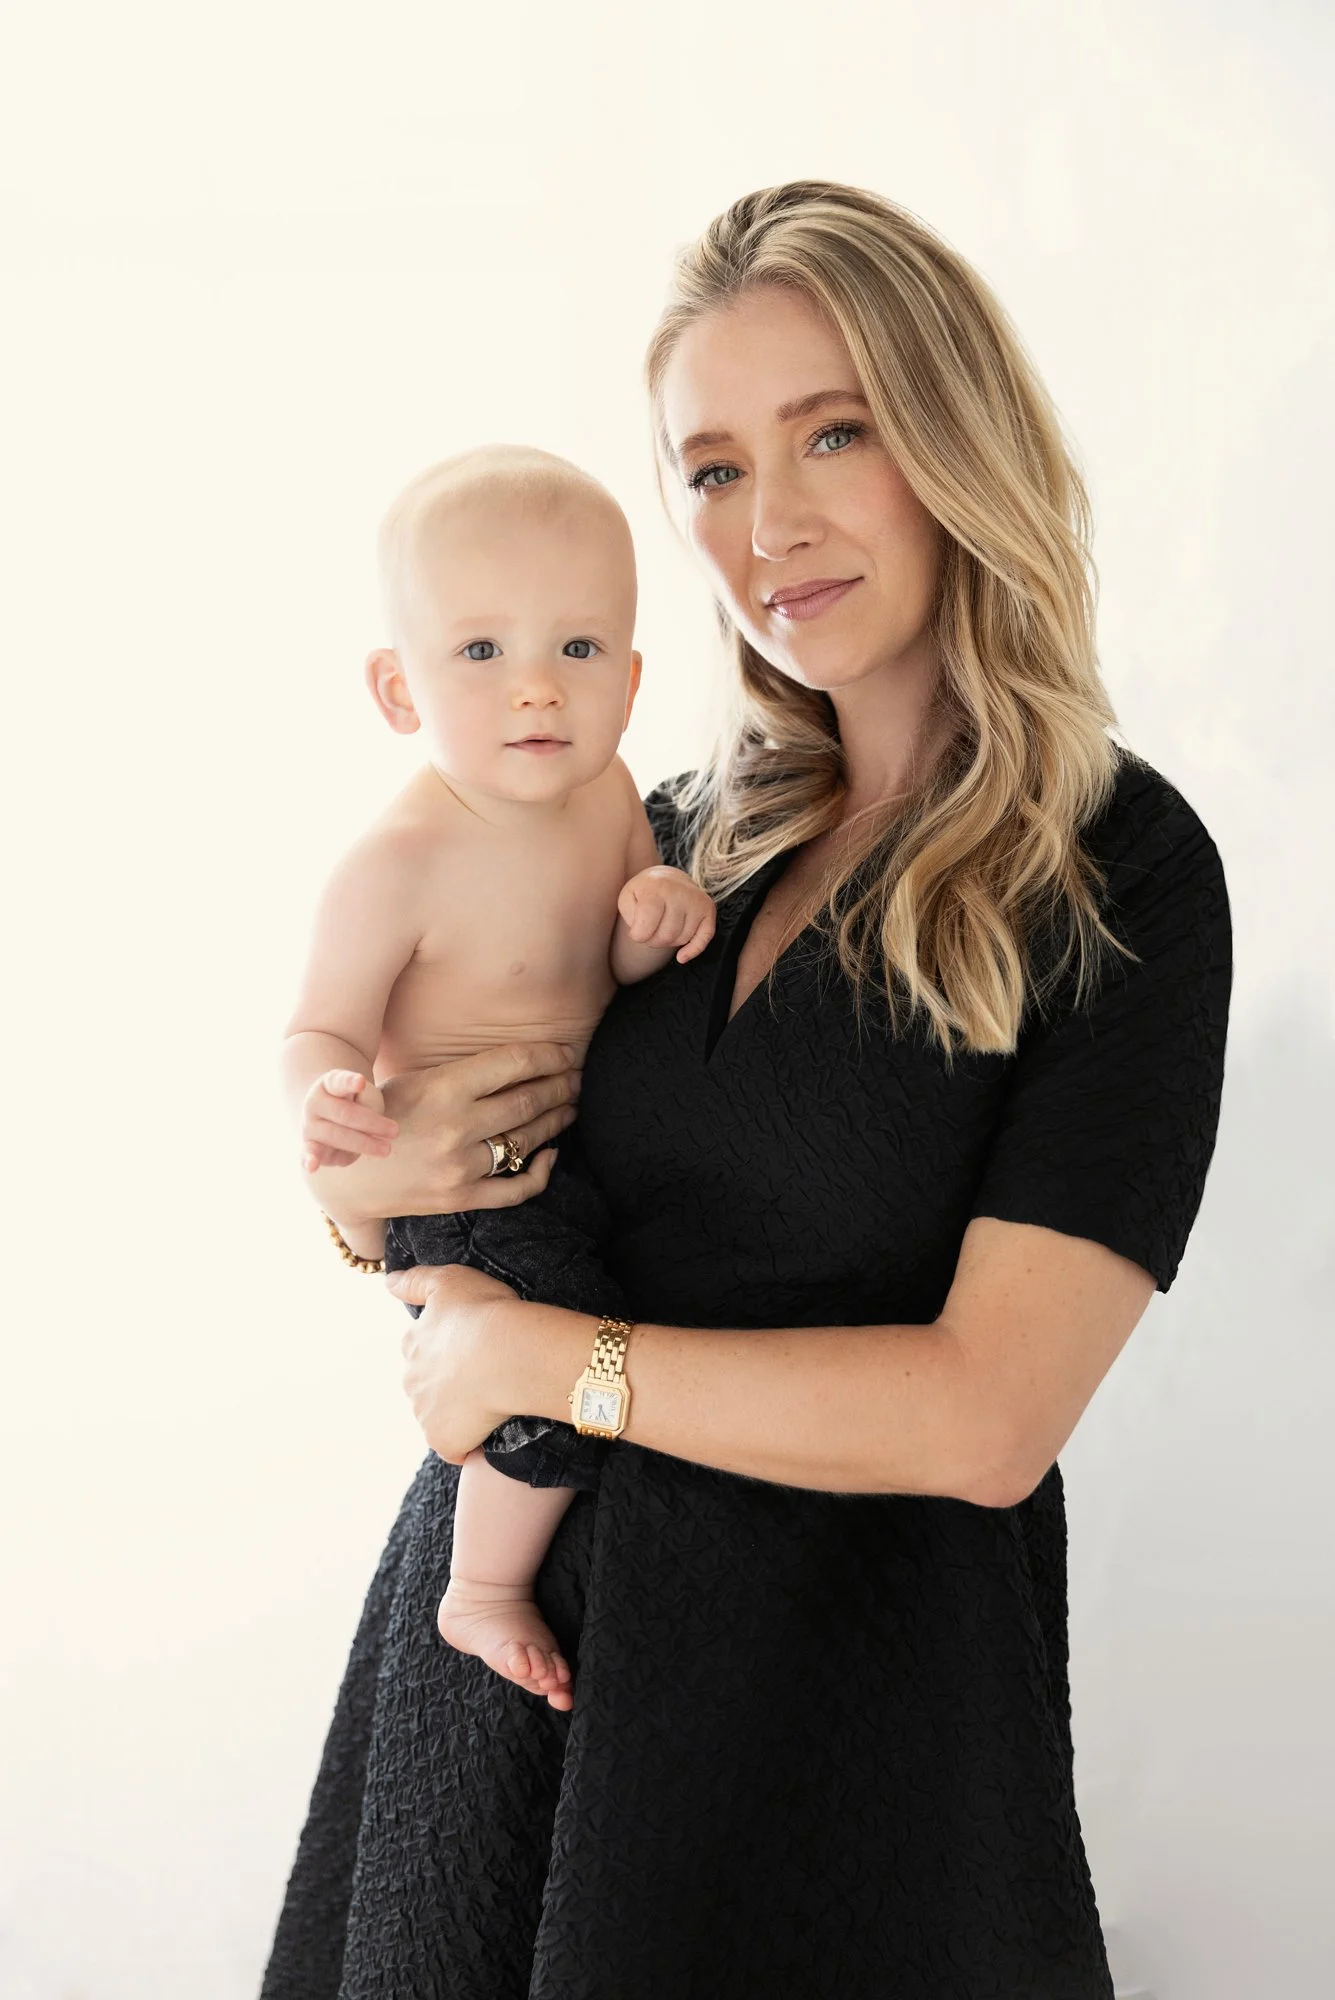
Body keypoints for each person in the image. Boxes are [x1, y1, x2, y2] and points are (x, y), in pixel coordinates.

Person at [260, 180, 1232, 2000]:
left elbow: (985, 1420)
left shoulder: (1118, 868)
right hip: (509, 1679)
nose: (765, 522)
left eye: (832, 433)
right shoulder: (675, 839)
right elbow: (431, 1159)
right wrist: (359, 1189)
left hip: (850, 1732)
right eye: (708, 469)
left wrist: (559, 1366)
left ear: (955, 436)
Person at [279, 443, 715, 1711]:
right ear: (397, 688)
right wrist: (327, 1113)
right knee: (539, 1364)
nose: (536, 688)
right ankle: (479, 1586)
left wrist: (657, 907)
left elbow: (619, 971)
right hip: (457, 1187)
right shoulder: (398, 861)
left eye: (577, 650)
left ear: (631, 678)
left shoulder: (614, 795)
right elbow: (314, 1030)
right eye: (481, 653)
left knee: (579, 1320)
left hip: (560, 1165)